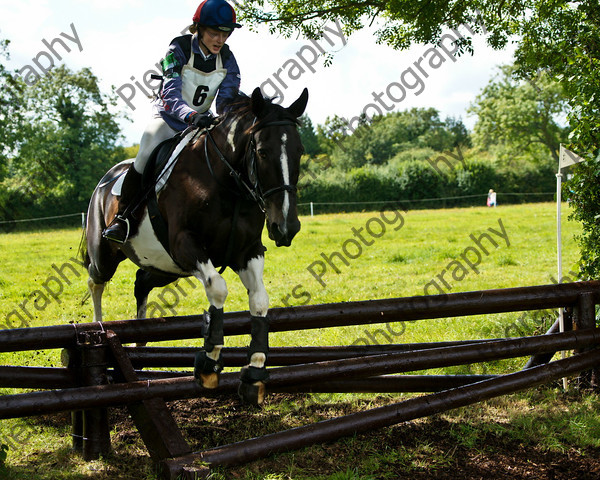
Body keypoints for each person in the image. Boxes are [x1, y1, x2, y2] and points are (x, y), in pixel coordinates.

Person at [103, 0, 242, 243]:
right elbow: (170, 94)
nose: (220, 40)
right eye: (214, 33)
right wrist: (190, 115)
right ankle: (123, 217)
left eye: (225, 34)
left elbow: (226, 100)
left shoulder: (228, 59)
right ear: (198, 29)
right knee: (145, 154)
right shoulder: (177, 49)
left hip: (202, 125)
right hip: (169, 120)